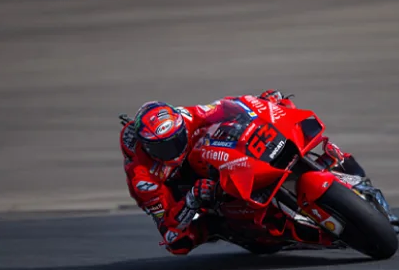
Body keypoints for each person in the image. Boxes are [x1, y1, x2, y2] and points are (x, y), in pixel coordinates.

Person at [118, 90, 366, 255]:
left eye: (177, 138)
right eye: (164, 146)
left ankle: (344, 173)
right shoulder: (142, 177)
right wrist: (192, 199)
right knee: (179, 243)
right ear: (148, 147)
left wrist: (264, 101)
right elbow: (168, 230)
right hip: (189, 193)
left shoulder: (184, 116)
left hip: (209, 157)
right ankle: (228, 227)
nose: (174, 147)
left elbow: (226, 106)